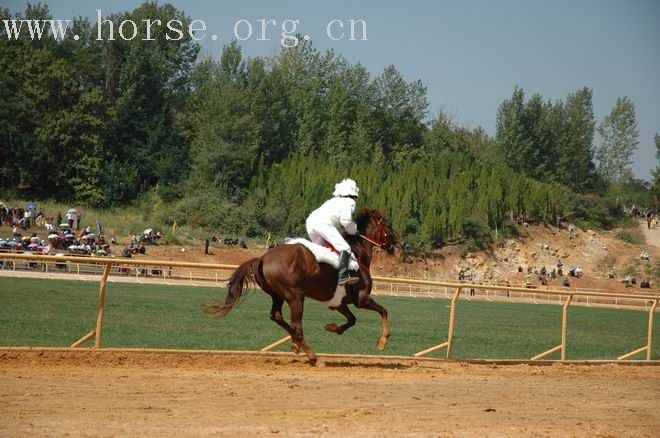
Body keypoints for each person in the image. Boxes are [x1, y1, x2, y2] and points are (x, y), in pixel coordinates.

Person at [306, 178, 360, 286]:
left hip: (310, 223)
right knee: (345, 248)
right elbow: (346, 221)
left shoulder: (332, 201)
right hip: (324, 225)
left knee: (321, 251)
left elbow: (337, 223)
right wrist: (354, 230)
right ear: (353, 194)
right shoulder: (349, 202)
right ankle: (342, 275)